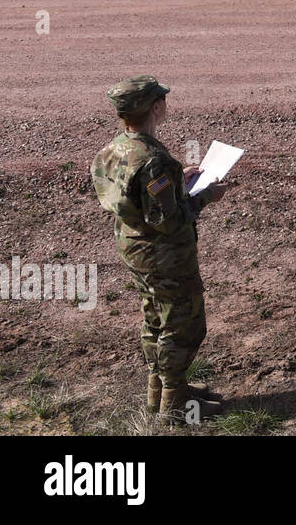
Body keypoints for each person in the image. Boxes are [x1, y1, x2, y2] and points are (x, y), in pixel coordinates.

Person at [90, 76, 233, 424]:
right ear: (155, 107)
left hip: (132, 246)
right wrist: (203, 196)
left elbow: (134, 197)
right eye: (161, 100)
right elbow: (168, 221)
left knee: (155, 316)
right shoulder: (154, 160)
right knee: (183, 324)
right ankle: (175, 407)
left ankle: (163, 390)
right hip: (163, 254)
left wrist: (176, 182)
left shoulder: (113, 150)